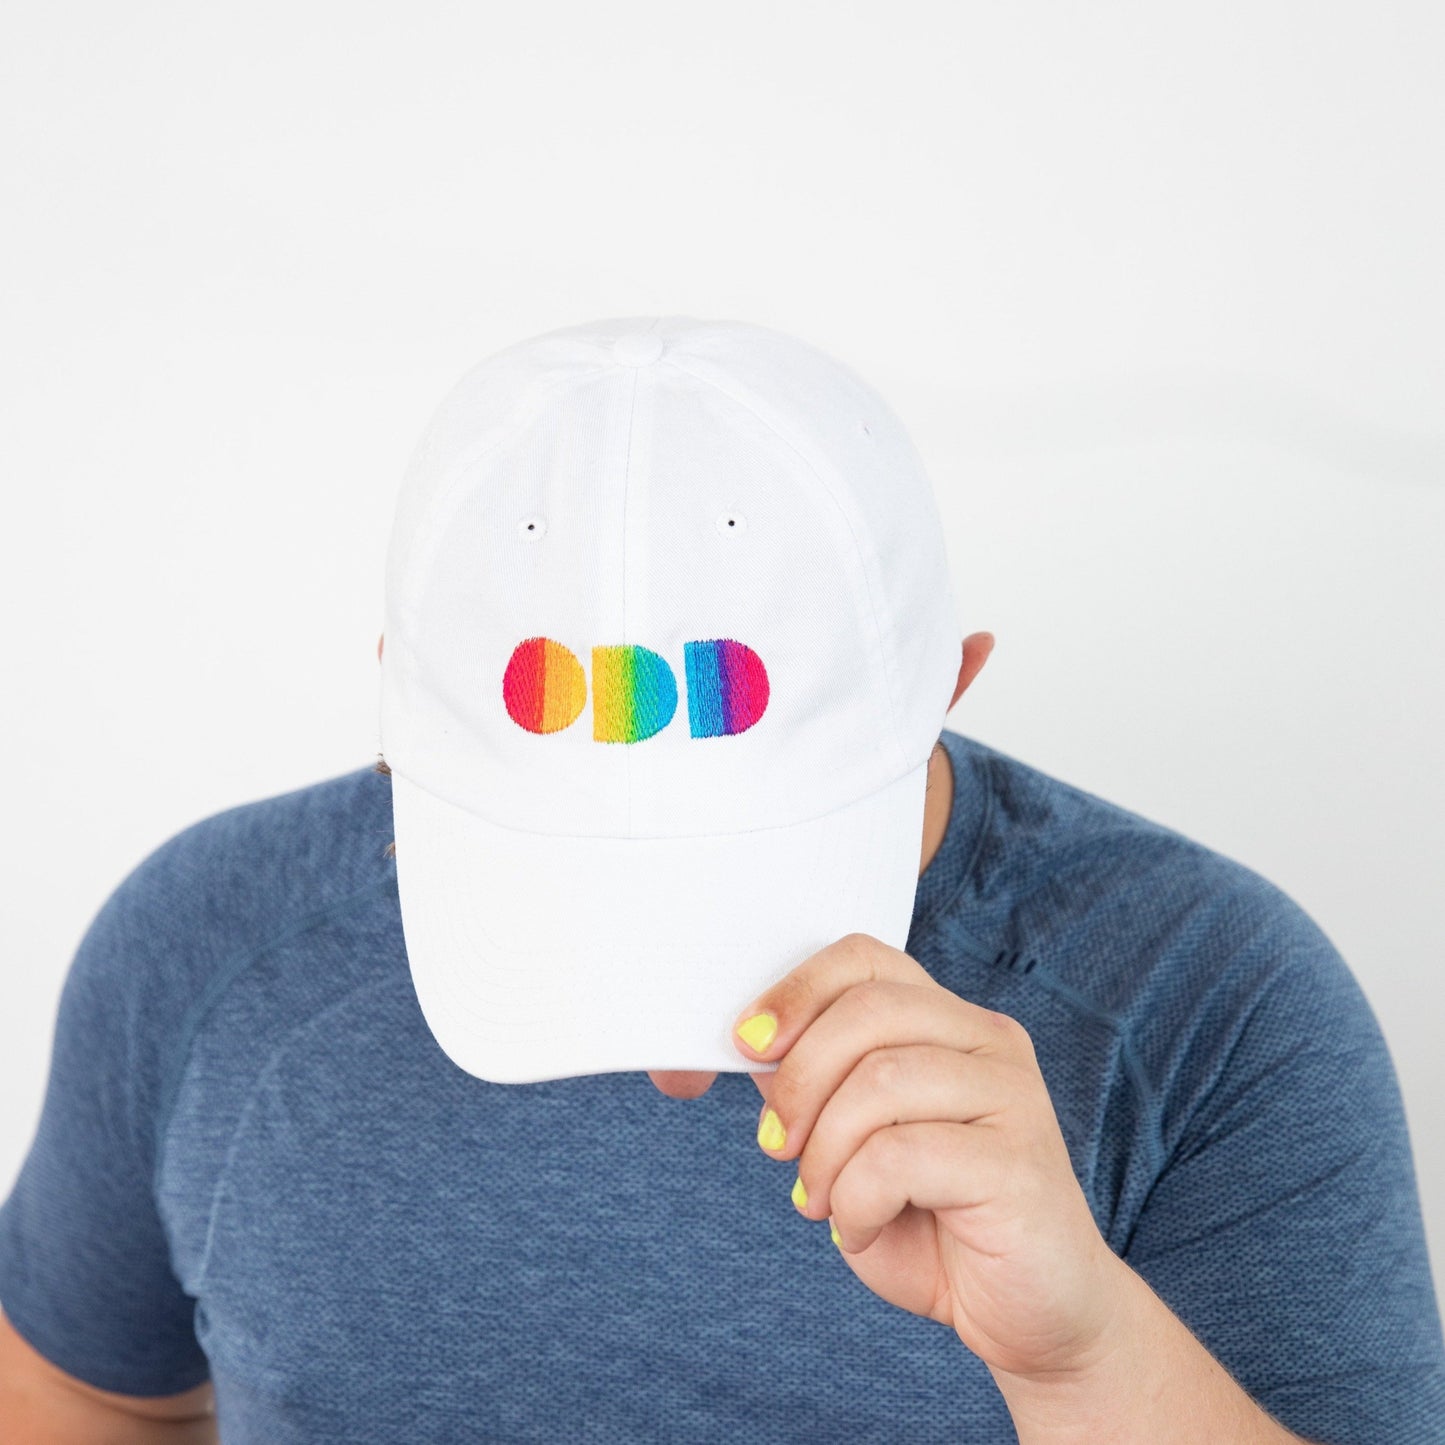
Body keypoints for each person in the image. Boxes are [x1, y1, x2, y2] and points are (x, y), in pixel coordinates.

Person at [1, 318, 1442, 1444]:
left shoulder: (1210, 999)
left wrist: (1085, 1358)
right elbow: (76, 1397)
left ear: (948, 688)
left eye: (742, 873)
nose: (672, 1065)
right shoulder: (203, 947)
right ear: (398, 708)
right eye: (550, 875)